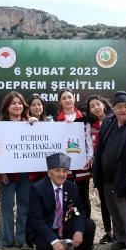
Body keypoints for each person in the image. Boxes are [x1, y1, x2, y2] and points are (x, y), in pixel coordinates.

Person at [25, 152, 96, 250]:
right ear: (49, 173)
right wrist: (54, 241)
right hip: (44, 227)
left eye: (64, 171)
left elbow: (78, 211)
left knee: (89, 225)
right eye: (57, 170)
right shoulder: (37, 189)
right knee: (44, 247)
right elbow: (37, 220)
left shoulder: (72, 188)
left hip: (64, 225)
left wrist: (79, 230)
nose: (62, 174)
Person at [93, 92, 126, 250]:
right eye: (119, 107)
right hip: (107, 178)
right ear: (113, 109)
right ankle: (121, 239)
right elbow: (101, 147)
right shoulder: (109, 121)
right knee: (115, 212)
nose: (123, 110)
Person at [0, 91, 32, 249]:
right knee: (6, 206)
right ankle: (6, 239)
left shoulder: (31, 124)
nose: (17, 106)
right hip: (7, 174)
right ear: (6, 107)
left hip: (26, 173)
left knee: (25, 205)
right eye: (13, 103)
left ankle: (23, 238)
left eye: (19, 103)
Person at [55, 88, 94, 219]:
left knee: (84, 197)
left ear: (74, 99)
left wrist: (89, 158)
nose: (67, 100)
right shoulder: (55, 120)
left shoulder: (84, 118)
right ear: (60, 102)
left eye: (69, 97)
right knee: (67, 197)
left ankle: (85, 226)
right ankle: (70, 227)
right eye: (64, 98)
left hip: (83, 165)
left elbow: (88, 140)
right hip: (64, 167)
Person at [85, 94, 114, 244]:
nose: (96, 108)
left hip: (114, 167)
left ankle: (119, 233)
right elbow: (89, 145)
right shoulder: (90, 124)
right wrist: (90, 158)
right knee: (104, 201)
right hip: (99, 168)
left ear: (103, 104)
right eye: (92, 106)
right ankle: (108, 232)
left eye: (97, 104)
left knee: (116, 201)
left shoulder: (114, 120)